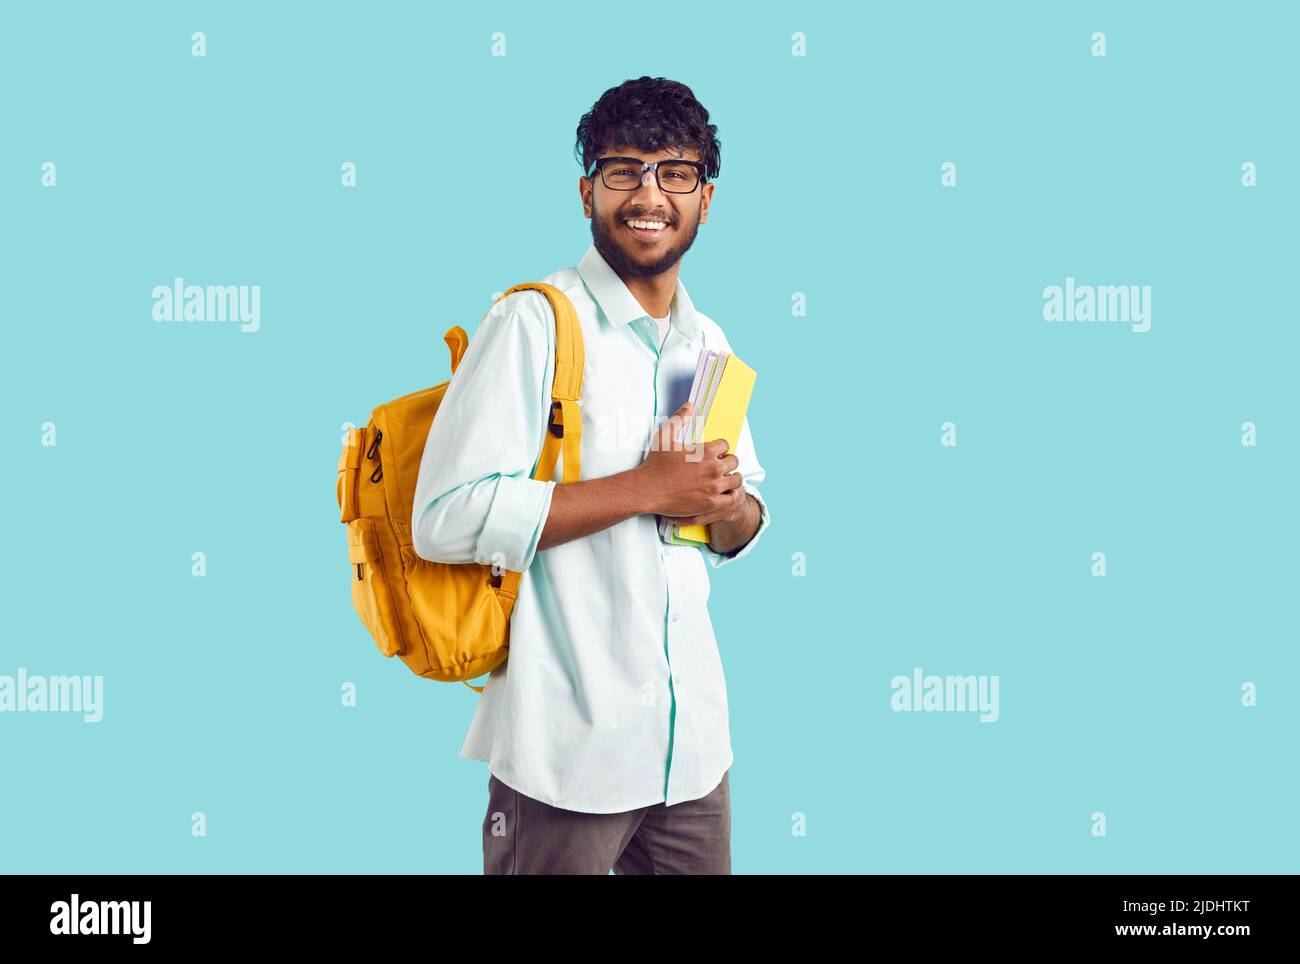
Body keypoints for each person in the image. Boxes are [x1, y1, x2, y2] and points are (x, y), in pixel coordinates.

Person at [411, 76, 771, 874]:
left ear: (705, 199)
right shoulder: (533, 323)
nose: (649, 194)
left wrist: (728, 503)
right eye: (623, 171)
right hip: (564, 757)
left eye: (674, 173)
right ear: (588, 191)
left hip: (693, 755)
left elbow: (736, 523)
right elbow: (442, 516)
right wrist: (649, 487)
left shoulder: (707, 339)